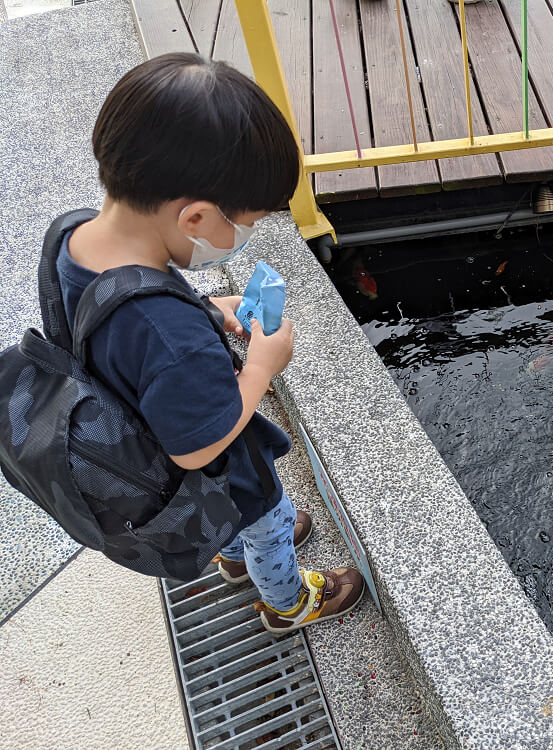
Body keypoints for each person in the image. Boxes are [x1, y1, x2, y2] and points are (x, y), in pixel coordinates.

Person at [56, 52, 365, 633]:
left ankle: (230, 550)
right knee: (268, 516)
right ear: (195, 218)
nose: (246, 235)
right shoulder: (173, 343)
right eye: (247, 222)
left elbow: (119, 309)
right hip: (206, 470)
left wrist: (203, 310)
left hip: (135, 421)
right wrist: (262, 368)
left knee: (242, 520)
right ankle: (289, 602)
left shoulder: (73, 239)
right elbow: (197, 448)